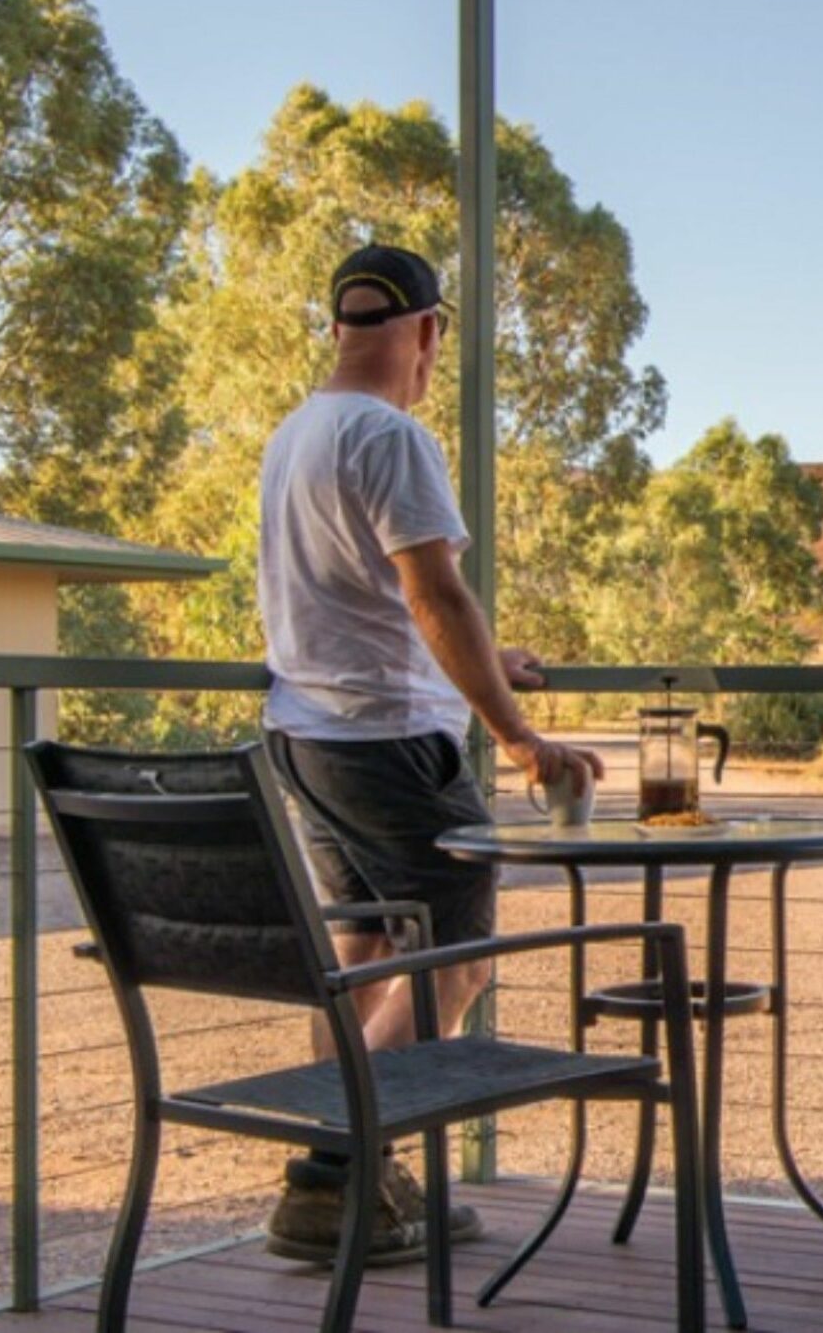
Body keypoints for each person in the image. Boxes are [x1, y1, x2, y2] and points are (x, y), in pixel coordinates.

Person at [256, 244, 604, 1266]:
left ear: (340, 327)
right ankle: (336, 1168)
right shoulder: (389, 434)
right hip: (387, 741)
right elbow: (430, 590)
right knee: (456, 947)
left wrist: (482, 657)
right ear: (426, 331)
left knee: (368, 956)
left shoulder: (297, 435)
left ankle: (365, 1186)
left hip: (308, 737)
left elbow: (355, 597)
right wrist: (515, 734)